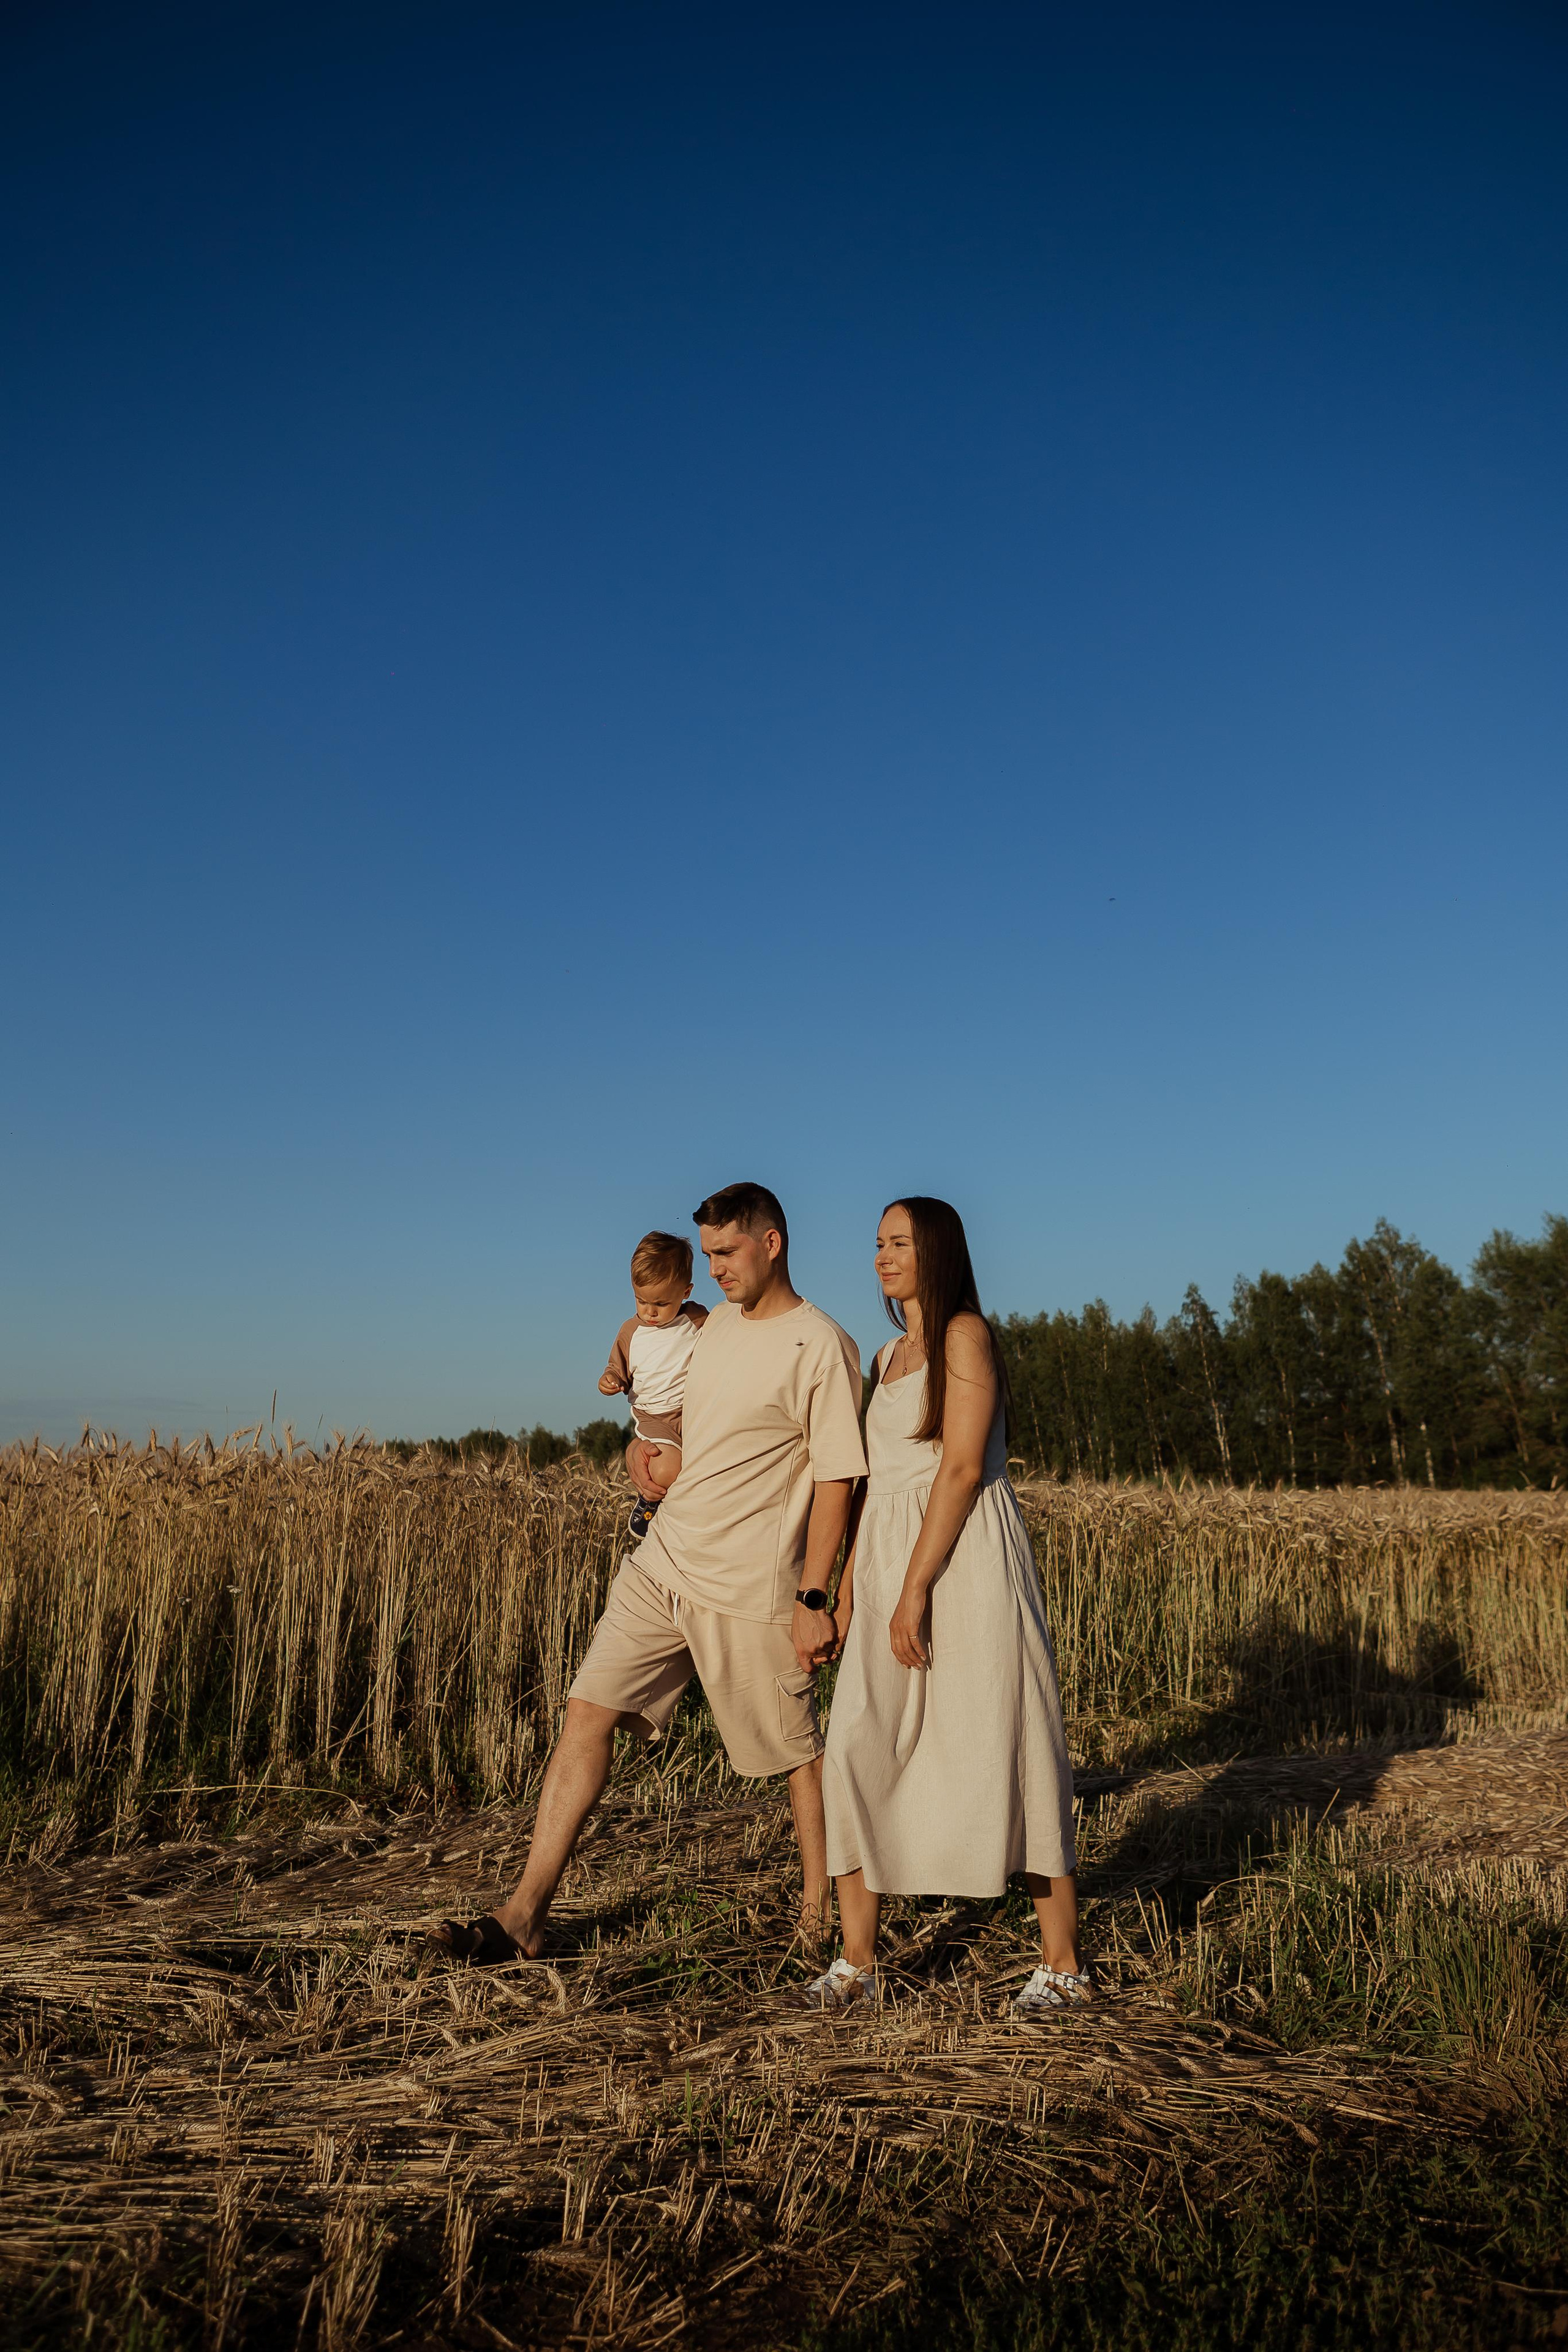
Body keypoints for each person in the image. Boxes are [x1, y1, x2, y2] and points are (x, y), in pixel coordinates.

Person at [434, 1182, 867, 1964]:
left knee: (796, 1754)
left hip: (747, 1583)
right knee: (585, 1710)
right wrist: (635, 1455)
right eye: (706, 1257)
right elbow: (668, 1419)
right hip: (662, 1558)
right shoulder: (711, 1329)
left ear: (772, 1242)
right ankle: (523, 1914)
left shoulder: (820, 1345)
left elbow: (838, 1478)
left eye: (727, 1253)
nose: (715, 1271)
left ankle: (818, 1922)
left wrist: (815, 1596)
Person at [809, 1196, 1088, 2016]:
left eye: (897, 1243)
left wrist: (916, 1588)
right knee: (857, 1742)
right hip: (892, 1562)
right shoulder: (889, 1355)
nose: (880, 1258)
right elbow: (876, 1489)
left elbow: (961, 1468)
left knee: (1006, 1739)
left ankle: (1062, 1963)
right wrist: (856, 1587)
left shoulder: (965, 1335)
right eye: (876, 1244)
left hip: (961, 1562)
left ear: (936, 1251)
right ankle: (856, 1961)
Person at [597, 1230, 707, 1539]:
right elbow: (616, 1366)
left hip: (693, 1412)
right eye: (641, 1300)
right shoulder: (632, 1331)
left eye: (661, 1303)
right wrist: (611, 1380)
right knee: (665, 1470)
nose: (650, 1311)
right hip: (654, 1416)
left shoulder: (696, 1319)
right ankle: (649, 1502)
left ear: (685, 1292)